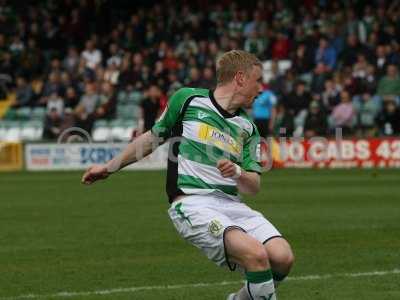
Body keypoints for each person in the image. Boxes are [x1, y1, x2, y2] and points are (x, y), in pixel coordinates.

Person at [81, 50, 294, 300]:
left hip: (232, 205)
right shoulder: (188, 99)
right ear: (240, 78)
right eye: (258, 80)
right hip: (192, 203)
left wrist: (237, 172)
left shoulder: (248, 127)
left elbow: (253, 186)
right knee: (255, 255)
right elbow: (152, 138)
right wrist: (108, 167)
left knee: (282, 257)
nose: (261, 88)